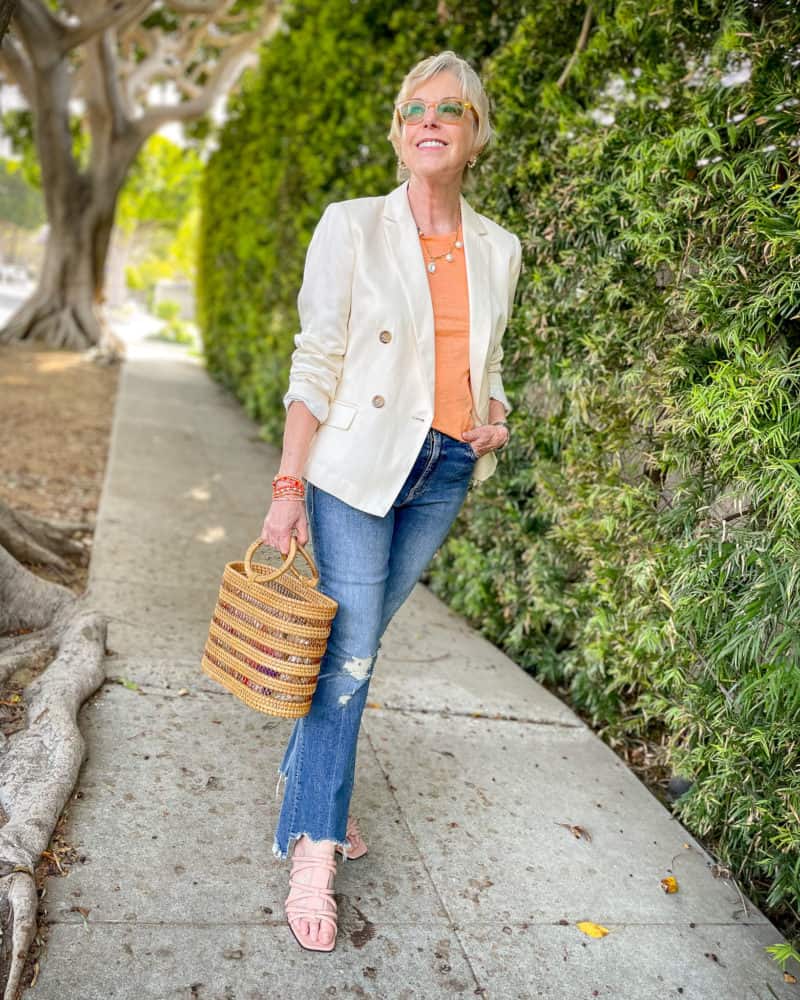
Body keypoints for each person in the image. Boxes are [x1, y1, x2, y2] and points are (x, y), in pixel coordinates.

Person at [260, 49, 523, 953]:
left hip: (443, 471)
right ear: (398, 128)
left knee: (351, 646)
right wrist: (288, 485)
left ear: (474, 132)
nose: (430, 119)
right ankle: (314, 847)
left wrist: (494, 416)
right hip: (355, 470)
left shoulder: (500, 248)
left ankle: (306, 793)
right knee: (351, 656)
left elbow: (484, 370)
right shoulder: (352, 226)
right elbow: (317, 362)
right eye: (415, 106)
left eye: (450, 108)